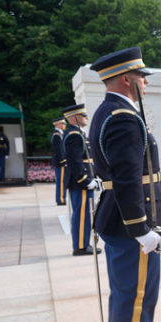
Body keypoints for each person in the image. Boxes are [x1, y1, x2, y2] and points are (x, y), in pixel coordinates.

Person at [88, 46, 161, 322]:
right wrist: (140, 229)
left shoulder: (109, 111)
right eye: (142, 77)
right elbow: (127, 177)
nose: (146, 83)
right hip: (129, 228)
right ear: (127, 80)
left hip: (119, 222)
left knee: (131, 296)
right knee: (134, 298)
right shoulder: (123, 116)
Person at [62, 103, 100, 256]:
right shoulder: (74, 135)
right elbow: (75, 162)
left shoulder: (78, 133)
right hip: (80, 183)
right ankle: (80, 247)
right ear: (74, 118)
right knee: (81, 214)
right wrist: (85, 180)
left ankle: (83, 244)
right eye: (83, 115)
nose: (86, 118)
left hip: (83, 181)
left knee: (84, 214)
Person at [51, 117, 68, 205]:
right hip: (60, 162)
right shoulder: (57, 135)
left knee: (62, 181)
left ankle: (61, 198)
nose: (65, 125)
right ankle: (61, 199)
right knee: (61, 182)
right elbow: (59, 150)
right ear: (58, 124)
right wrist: (63, 161)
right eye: (63, 123)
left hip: (60, 161)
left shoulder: (59, 134)